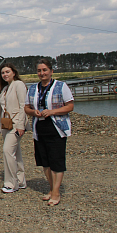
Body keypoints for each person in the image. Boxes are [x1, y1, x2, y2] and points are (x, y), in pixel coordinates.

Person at [24, 59, 74, 207]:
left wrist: (52, 112)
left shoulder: (61, 86)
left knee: (56, 162)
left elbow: (70, 106)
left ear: (51, 71)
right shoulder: (33, 88)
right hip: (39, 129)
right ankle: (51, 189)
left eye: (45, 70)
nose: (42, 73)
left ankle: (56, 193)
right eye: (39, 70)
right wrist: (34, 112)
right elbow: (26, 107)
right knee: (45, 162)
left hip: (56, 129)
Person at [0, 63, 30, 194]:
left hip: (16, 125)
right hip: (6, 125)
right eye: (3, 73)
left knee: (7, 151)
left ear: (14, 72)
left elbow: (23, 106)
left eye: (7, 72)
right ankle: (20, 181)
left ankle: (11, 183)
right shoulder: (5, 88)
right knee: (16, 153)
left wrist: (21, 125)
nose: (5, 75)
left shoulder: (18, 85)